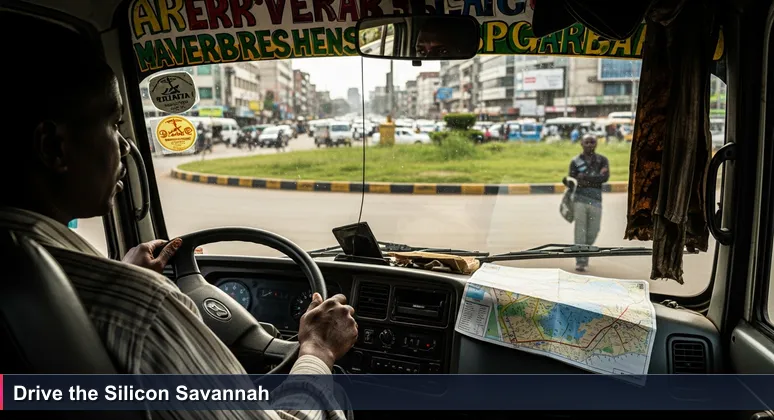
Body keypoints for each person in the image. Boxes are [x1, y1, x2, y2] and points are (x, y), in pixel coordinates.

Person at [1, 14, 356, 420]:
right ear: (53, 148)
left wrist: (119, 272)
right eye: (114, 124)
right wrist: (316, 352)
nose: (125, 147)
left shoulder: (41, 276)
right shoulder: (143, 309)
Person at [565, 134, 610, 272]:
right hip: (579, 200)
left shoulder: (602, 160)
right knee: (580, 230)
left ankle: (584, 251)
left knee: (593, 231)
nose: (589, 144)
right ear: (581, 143)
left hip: (596, 201)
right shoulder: (575, 161)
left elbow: (604, 178)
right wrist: (592, 179)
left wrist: (585, 179)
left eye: (592, 142)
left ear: (596, 144)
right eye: (587, 142)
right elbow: (572, 179)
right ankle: (581, 261)